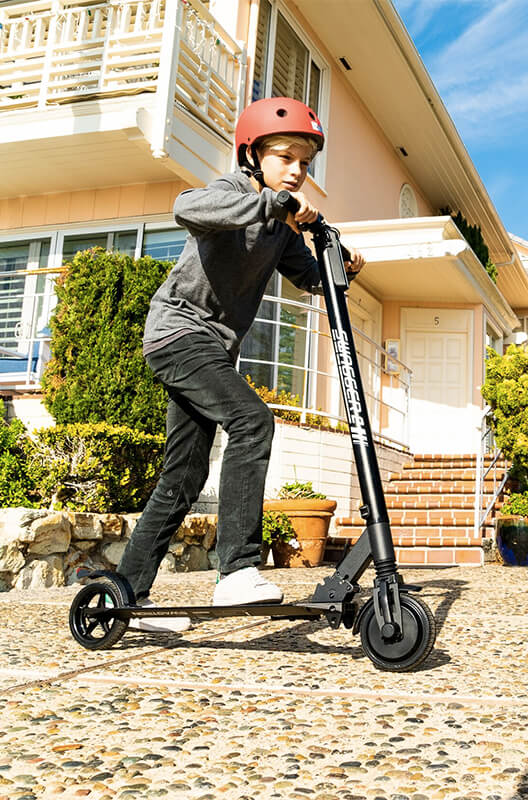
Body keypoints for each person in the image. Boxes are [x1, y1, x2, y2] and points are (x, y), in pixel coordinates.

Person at [116, 97, 365, 631]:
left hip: (210, 350)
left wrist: (342, 265)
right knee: (253, 421)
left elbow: (312, 277)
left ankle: (126, 596)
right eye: (285, 157)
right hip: (178, 334)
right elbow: (188, 206)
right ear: (253, 155)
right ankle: (237, 570)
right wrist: (272, 205)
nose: (297, 171)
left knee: (182, 479)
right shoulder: (232, 193)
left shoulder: (280, 228)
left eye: (305, 162)